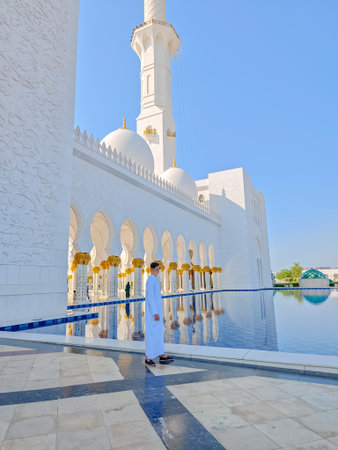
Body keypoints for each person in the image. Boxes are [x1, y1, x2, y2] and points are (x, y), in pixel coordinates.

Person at [145, 261, 174, 366]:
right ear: (155, 269)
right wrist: (155, 313)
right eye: (158, 269)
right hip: (154, 315)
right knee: (152, 335)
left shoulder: (154, 280)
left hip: (157, 313)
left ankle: (161, 354)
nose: (159, 271)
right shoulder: (150, 281)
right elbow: (151, 299)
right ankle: (148, 358)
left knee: (158, 334)